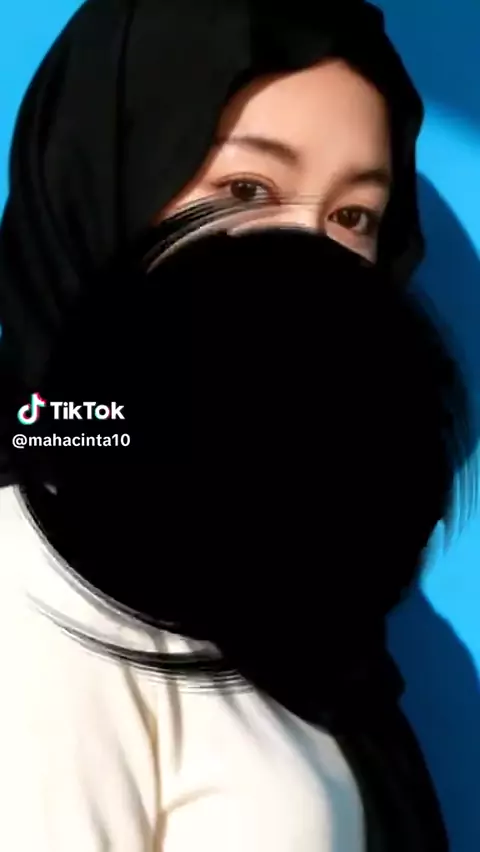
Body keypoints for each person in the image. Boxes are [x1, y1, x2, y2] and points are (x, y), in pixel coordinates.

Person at [0, 1, 473, 850]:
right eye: (246, 191)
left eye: (353, 217)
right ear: (103, 191)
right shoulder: (36, 563)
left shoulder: (309, 593)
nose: (310, 259)